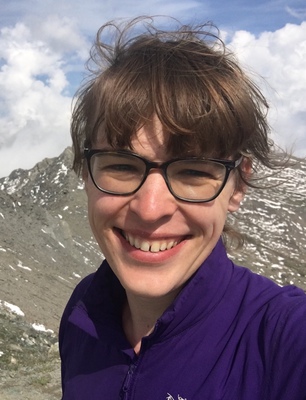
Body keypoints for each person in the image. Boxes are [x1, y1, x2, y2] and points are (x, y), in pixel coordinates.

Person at [59, 17, 306, 400]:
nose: (150, 208)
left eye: (193, 171)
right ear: (85, 174)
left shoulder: (283, 338)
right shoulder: (83, 313)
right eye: (121, 166)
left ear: (237, 186)